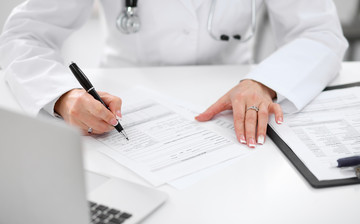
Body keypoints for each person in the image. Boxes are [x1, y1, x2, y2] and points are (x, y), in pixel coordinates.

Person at [0, 0, 348, 148]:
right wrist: (63, 96)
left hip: (231, 109)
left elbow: (320, 32)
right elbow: (25, 34)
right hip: (119, 112)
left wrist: (265, 82)